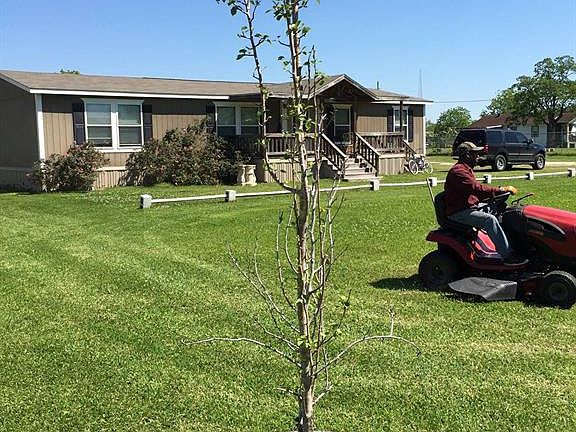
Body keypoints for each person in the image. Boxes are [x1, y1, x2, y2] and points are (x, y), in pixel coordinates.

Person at [444, 141, 527, 266]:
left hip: (470, 207)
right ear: (467, 155)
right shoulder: (458, 172)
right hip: (459, 212)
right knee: (489, 220)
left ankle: (515, 244)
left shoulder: (466, 169)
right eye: (475, 154)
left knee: (504, 210)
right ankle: (507, 255)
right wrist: (501, 189)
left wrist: (497, 197)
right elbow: (477, 189)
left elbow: (476, 192)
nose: (478, 157)